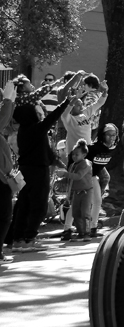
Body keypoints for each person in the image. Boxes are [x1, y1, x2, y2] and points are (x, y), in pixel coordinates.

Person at [9, 75, 78, 253]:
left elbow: (45, 148)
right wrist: (67, 102)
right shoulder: (36, 129)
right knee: (39, 205)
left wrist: (56, 161)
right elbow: (53, 117)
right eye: (36, 111)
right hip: (38, 171)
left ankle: (18, 239)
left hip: (26, 170)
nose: (39, 113)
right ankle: (29, 238)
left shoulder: (24, 131)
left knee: (24, 204)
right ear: (31, 115)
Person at [86, 124, 118, 237]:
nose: (111, 137)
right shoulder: (93, 148)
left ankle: (91, 227)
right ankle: (90, 228)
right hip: (87, 175)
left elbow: (101, 168)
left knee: (106, 178)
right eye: (108, 135)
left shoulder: (113, 148)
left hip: (96, 173)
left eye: (114, 135)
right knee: (96, 201)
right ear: (102, 135)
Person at [58, 140, 93, 241]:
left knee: (85, 213)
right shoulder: (73, 165)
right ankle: (81, 233)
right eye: (73, 154)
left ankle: (87, 233)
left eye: (77, 154)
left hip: (86, 192)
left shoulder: (86, 164)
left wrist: (65, 174)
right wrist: (62, 179)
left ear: (84, 155)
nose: (74, 156)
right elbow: (70, 179)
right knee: (76, 213)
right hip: (76, 193)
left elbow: (78, 176)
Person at [61, 77, 107, 153]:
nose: (82, 107)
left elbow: (100, 102)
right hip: (74, 152)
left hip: (87, 150)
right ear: (72, 108)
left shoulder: (85, 112)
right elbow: (66, 110)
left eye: (82, 104)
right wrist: (76, 98)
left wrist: (105, 91)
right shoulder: (68, 118)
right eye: (78, 105)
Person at [0, 81, 16, 263]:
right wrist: (7, 100)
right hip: (1, 181)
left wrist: (10, 101)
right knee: (4, 217)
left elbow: (5, 119)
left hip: (4, 180)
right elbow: (3, 118)